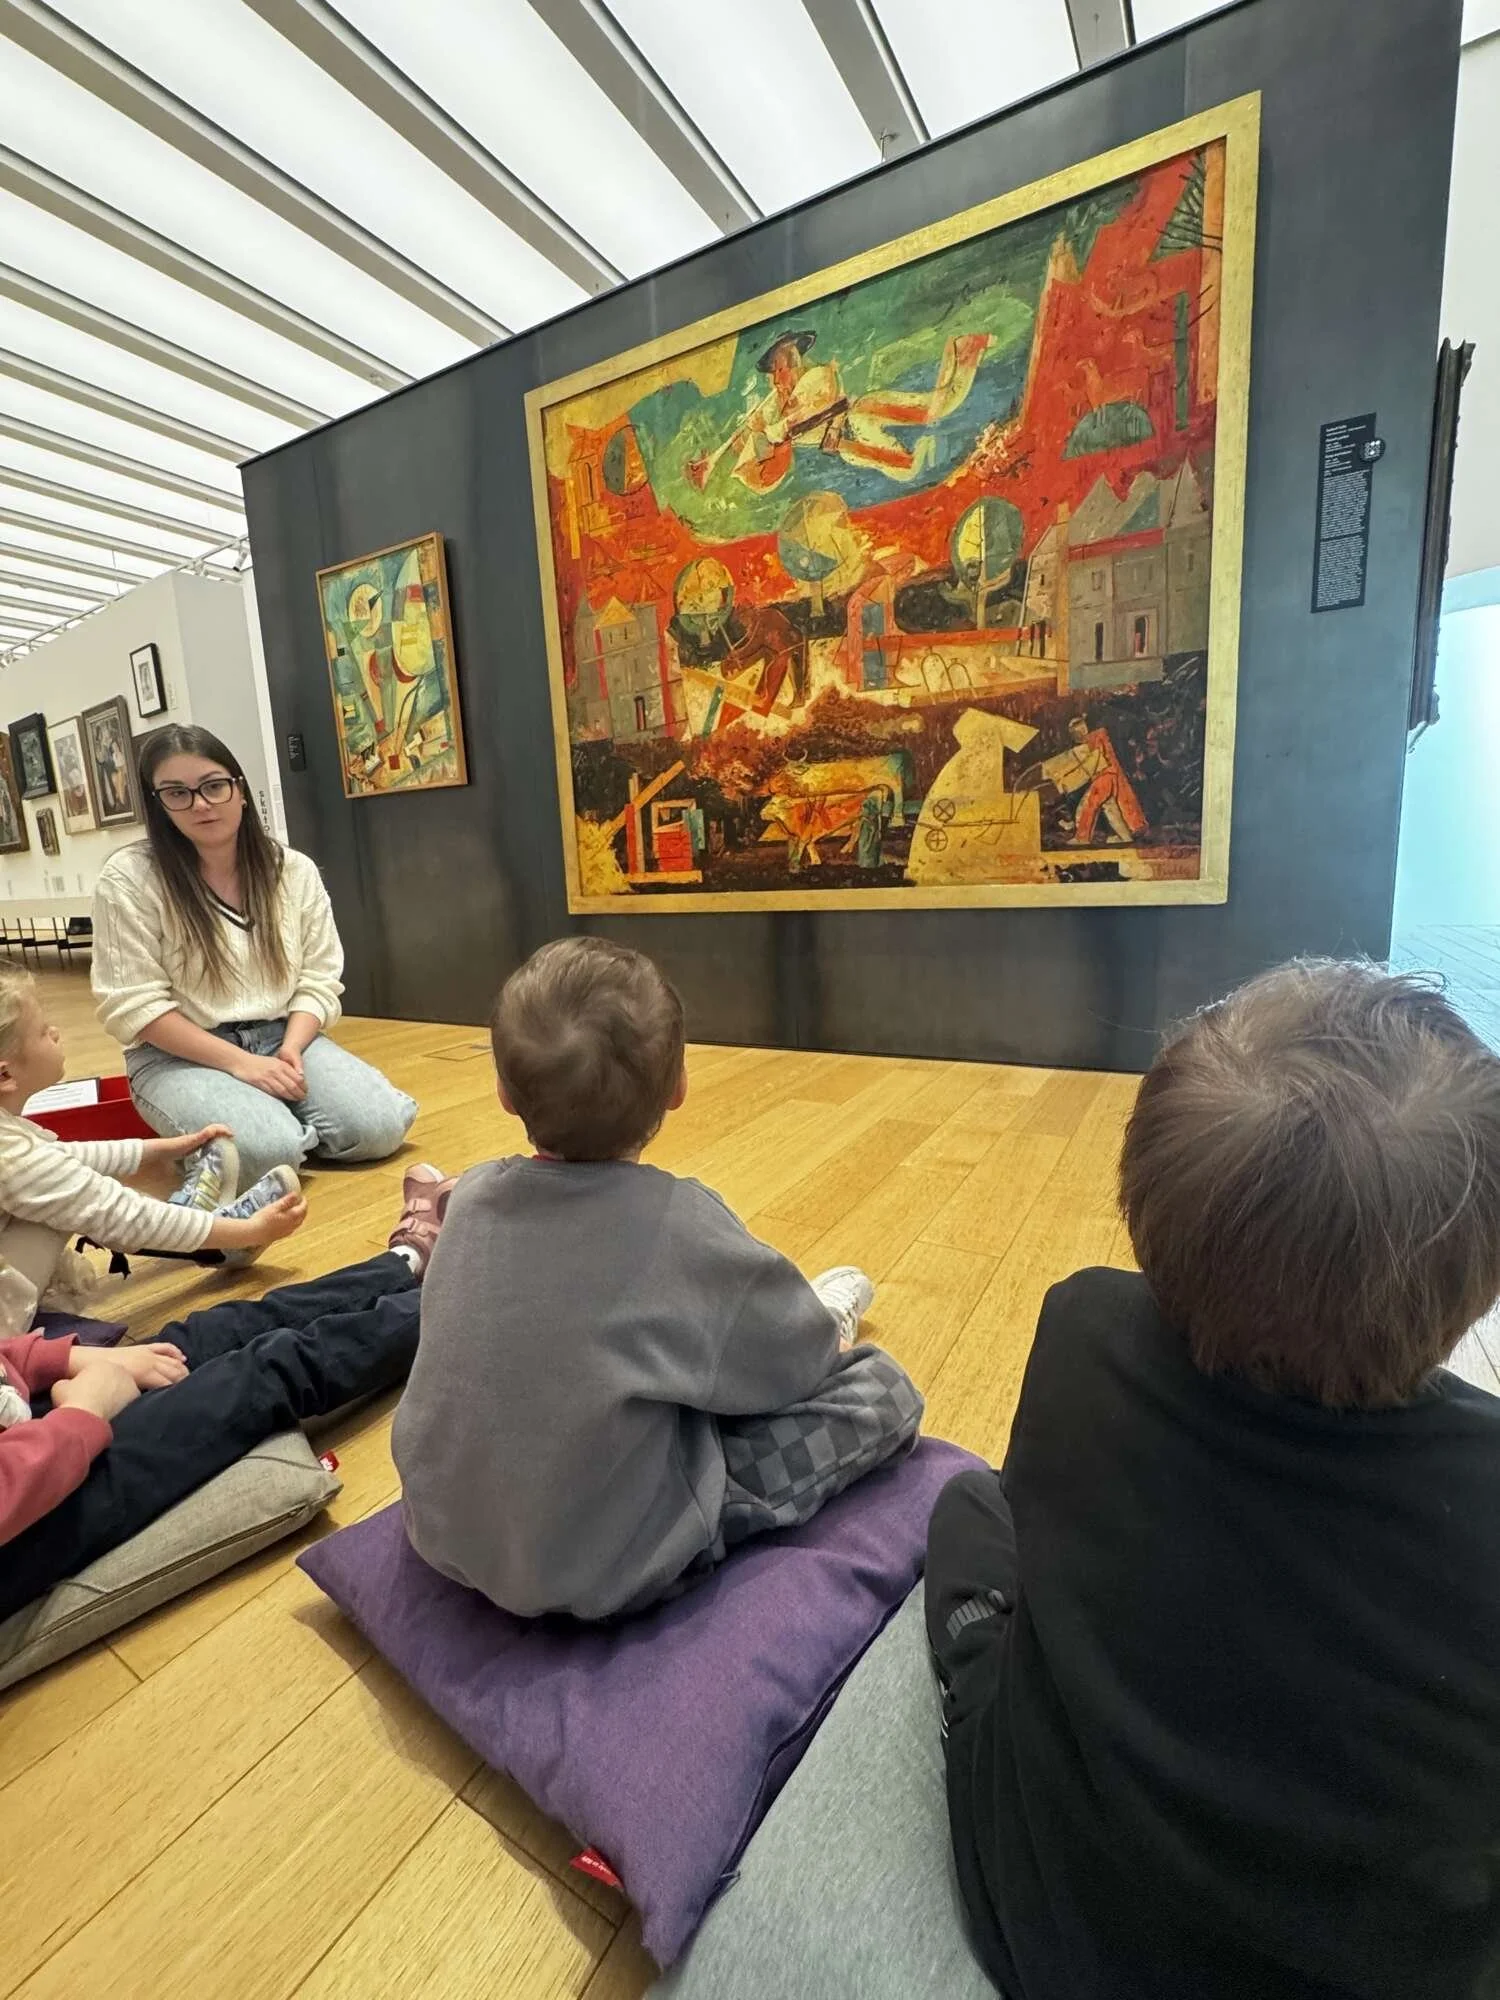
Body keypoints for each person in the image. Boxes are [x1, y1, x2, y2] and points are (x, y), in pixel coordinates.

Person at [925, 961, 1500, 2000]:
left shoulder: (1082, 1327)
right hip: (1382, 1963)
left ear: (1141, 1201)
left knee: (967, 1507)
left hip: (1043, 1918)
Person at [393, 936, 924, 1621]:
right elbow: (799, 1368)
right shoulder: (684, 1224)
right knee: (884, 1391)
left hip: (436, 1526)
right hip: (603, 1567)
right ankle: (820, 1312)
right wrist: (815, 1333)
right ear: (678, 1089)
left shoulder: (466, 1200)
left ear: (501, 1091)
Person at [0, 1160, 454, 1618]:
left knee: (213, 1332)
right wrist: (84, 1412)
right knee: (263, 1372)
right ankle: (470, 1298)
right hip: (31, 1499)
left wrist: (71, 1358)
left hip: (33, 1420)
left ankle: (405, 1263)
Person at [92, 725, 417, 1189]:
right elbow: (135, 1007)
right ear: (158, 805)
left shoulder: (293, 870)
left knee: (379, 1128)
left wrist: (289, 1049)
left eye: (214, 786)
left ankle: (272, 1116)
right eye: (177, 793)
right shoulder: (128, 878)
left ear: (240, 790)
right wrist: (242, 1065)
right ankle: (266, 1125)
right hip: (178, 1054)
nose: (201, 804)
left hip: (283, 1034)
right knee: (270, 1152)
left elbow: (319, 978)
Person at [0, 964, 307, 1338]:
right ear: (5, 1075)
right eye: (42, 1032)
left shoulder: (13, 1146)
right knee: (58, 1210)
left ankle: (201, 1225)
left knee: (59, 1195)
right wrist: (249, 1230)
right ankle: (217, 1242)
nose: (56, 1032)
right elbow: (121, 1213)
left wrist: (165, 1148)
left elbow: (63, 1162)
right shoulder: (13, 1158)